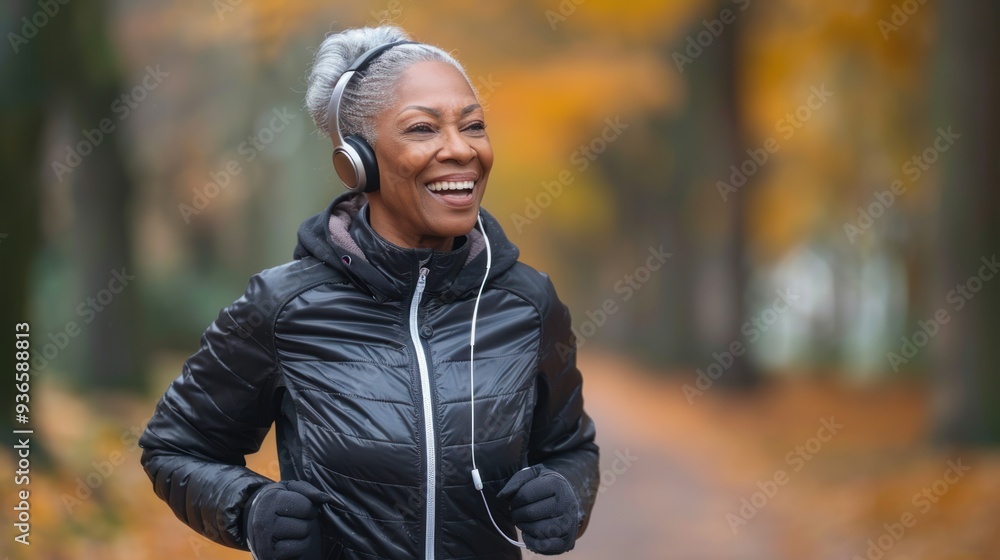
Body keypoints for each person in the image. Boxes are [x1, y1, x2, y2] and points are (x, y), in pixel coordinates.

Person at [139, 24, 599, 560]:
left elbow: (571, 448)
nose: (460, 150)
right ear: (358, 161)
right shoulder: (282, 306)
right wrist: (248, 508)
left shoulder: (528, 302)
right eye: (423, 129)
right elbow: (175, 447)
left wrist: (568, 496)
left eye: (473, 126)